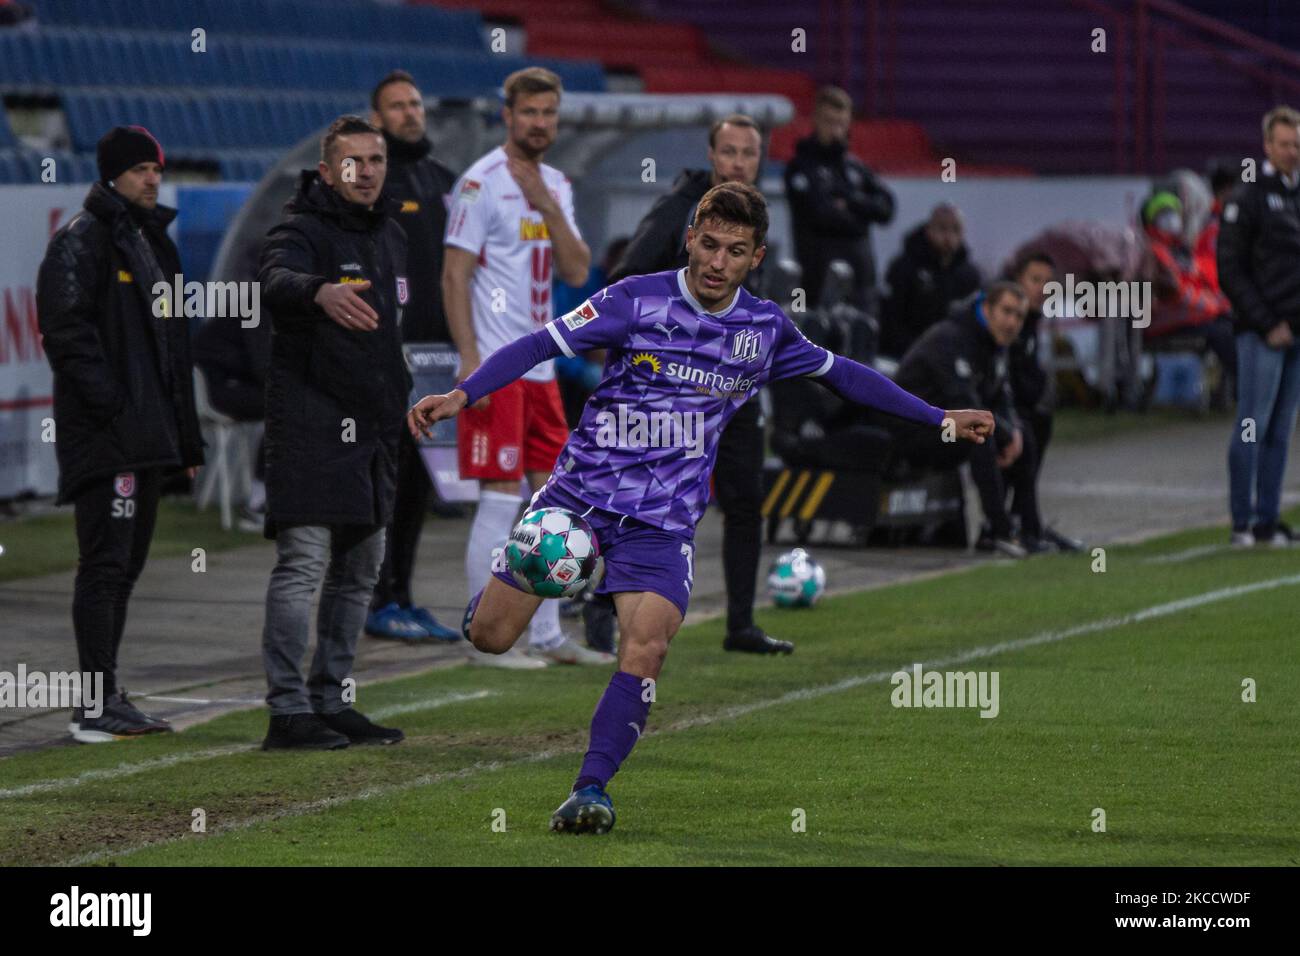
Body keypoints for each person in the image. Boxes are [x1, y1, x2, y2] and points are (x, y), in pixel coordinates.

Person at [409, 182, 993, 832]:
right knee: (492, 638)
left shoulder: (764, 330)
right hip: (579, 503)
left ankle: (591, 791)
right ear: (691, 238)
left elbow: (847, 375)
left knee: (648, 647)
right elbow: (540, 345)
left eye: (734, 251)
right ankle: (484, 609)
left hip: (663, 524)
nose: (717, 261)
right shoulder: (636, 299)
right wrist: (465, 394)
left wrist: (938, 416)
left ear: (755, 258)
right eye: (709, 244)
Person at [36, 125, 205, 742]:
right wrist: (115, 409)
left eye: (156, 169)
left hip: (141, 438)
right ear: (111, 175)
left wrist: (182, 439)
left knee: (123, 568)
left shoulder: (148, 240)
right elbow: (66, 333)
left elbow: (170, 351)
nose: (152, 178)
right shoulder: (82, 242)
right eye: (139, 170)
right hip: (109, 440)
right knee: (105, 566)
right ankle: (93, 705)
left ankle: (104, 695)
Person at [609, 113, 792, 655]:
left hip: (733, 390)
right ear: (712, 156)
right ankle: (603, 608)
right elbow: (627, 279)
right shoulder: (681, 207)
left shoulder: (753, 218)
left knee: (745, 500)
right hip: (672, 394)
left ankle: (740, 624)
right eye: (729, 152)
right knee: (635, 504)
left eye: (749, 153)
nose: (739, 162)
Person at [443, 67, 608, 667]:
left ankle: (543, 635)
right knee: (497, 497)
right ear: (508, 115)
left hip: (543, 367)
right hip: (495, 363)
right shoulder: (479, 184)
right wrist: (469, 360)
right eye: (530, 112)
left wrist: (545, 204)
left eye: (549, 114)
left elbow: (575, 269)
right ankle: (480, 635)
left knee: (553, 501)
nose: (540, 123)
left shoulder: (557, 186)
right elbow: (454, 273)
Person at [256, 116, 409, 750]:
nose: (367, 171)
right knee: (304, 565)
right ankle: (287, 711)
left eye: (376, 160)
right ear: (327, 171)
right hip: (312, 427)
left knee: (361, 572)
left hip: (373, 431)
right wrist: (318, 292)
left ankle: (333, 699)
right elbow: (271, 281)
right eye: (354, 162)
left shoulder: (390, 235)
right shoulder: (300, 228)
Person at [361, 69, 461, 643]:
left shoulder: (444, 180)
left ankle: (402, 594)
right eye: (396, 106)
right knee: (387, 481)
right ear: (377, 119)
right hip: (388, 356)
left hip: (438, 358)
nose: (409, 113)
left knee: (419, 484)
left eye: (415, 102)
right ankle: (376, 598)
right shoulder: (376, 182)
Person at [890, 282, 1047, 558]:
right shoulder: (950, 339)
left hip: (945, 426)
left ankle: (1029, 528)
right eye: (1006, 312)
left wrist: (1014, 430)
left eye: (1019, 316)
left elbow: (1001, 394)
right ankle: (999, 531)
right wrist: (1005, 432)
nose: (1012, 322)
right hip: (911, 430)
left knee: (1026, 436)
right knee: (980, 437)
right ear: (986, 309)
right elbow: (963, 403)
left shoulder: (996, 343)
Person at [1218, 105, 1300, 548]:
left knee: (1281, 429)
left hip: (1297, 333)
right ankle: (1241, 521)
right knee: (1252, 424)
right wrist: (1268, 323)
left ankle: (1268, 519)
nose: (1292, 152)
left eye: (1297, 145)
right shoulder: (1247, 196)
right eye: (1285, 144)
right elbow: (1229, 270)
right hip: (1262, 332)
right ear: (1267, 145)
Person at [783, 85, 894, 311]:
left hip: (861, 282)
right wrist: (863, 217)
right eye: (829, 122)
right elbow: (821, 215)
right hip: (817, 282)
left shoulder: (855, 166)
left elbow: (886, 208)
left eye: (841, 123)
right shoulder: (800, 167)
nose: (835, 130)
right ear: (815, 120)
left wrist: (850, 201)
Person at [1005, 250, 1082, 552]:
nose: (1041, 289)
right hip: (979, 410)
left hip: (1012, 408)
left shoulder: (1033, 322)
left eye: (1048, 283)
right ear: (1017, 280)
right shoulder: (1007, 317)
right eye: (1034, 280)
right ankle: (1018, 524)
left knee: (1040, 422)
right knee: (1024, 432)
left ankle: (1023, 520)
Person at [879, 203, 981, 359]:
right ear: (929, 230)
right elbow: (891, 321)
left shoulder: (969, 274)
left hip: (951, 357)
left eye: (956, 229)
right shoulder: (904, 267)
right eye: (942, 228)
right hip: (905, 355)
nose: (949, 237)